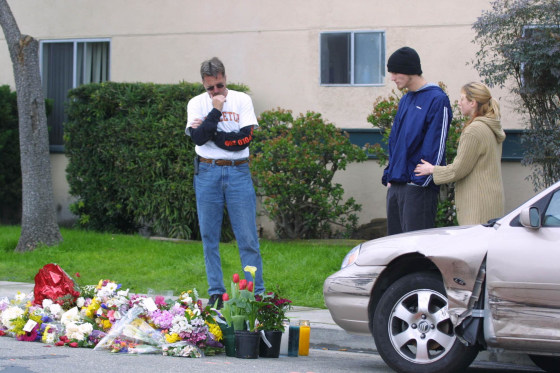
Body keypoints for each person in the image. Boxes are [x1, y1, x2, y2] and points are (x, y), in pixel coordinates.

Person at [185, 57, 264, 308]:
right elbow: (198, 139)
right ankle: (216, 292)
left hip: (238, 172)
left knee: (247, 237)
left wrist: (212, 131)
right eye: (210, 88)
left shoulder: (242, 100)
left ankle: (255, 291)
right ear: (203, 84)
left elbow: (244, 139)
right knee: (209, 236)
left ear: (224, 78)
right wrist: (216, 110)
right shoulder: (196, 103)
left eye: (219, 86)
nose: (215, 92)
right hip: (207, 173)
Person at [382, 46, 452, 235]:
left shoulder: (437, 99)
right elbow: (395, 141)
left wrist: (419, 182)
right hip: (396, 185)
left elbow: (436, 144)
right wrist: (390, 176)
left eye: (395, 72)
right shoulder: (405, 100)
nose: (392, 78)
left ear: (410, 70)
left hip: (418, 189)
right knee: (395, 249)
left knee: (416, 249)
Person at [414, 82, 505, 225]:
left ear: (473, 103)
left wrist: (431, 169)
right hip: (491, 201)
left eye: (462, 99)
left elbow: (458, 170)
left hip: (477, 205)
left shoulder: (474, 130)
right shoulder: (491, 127)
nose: (459, 103)